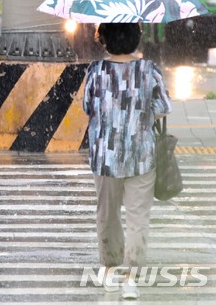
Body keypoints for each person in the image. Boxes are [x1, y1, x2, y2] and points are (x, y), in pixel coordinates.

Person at [82, 23, 172, 299]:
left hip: (105, 158)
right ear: (135, 39)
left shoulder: (95, 71)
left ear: (104, 39)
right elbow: (162, 109)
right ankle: (131, 277)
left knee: (107, 215)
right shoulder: (148, 70)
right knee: (138, 217)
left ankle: (110, 270)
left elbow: (88, 107)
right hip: (140, 156)